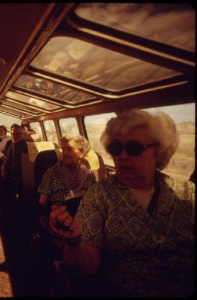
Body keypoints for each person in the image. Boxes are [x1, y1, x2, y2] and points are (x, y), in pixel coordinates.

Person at [48, 109, 195, 297]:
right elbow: (88, 265)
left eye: (134, 148)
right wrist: (74, 242)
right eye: (116, 148)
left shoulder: (188, 193)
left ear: (159, 152)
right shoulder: (100, 194)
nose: (122, 156)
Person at [37, 135, 96, 233]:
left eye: (69, 149)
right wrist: (46, 227)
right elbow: (41, 204)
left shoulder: (88, 174)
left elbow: (93, 202)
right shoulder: (52, 172)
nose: (64, 153)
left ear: (81, 152)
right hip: (58, 220)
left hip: (83, 221)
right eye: (63, 149)